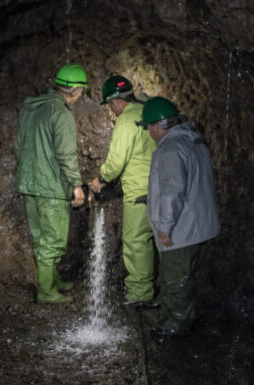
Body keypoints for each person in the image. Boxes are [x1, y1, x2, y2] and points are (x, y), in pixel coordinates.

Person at [142, 97, 220, 336]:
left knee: (176, 278)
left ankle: (175, 324)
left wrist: (164, 226)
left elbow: (172, 191)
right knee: (185, 275)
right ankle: (178, 313)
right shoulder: (193, 141)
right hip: (197, 223)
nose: (148, 132)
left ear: (156, 126)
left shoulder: (171, 149)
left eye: (148, 127)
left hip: (182, 228)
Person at [15, 63, 87, 303]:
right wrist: (76, 185)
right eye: (82, 91)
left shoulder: (30, 109)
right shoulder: (61, 114)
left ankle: (52, 281)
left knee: (41, 238)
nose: (81, 95)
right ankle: (46, 291)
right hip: (51, 187)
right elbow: (65, 155)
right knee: (53, 240)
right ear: (75, 90)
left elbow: (19, 147)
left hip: (30, 184)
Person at [89, 76, 158, 308]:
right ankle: (161, 291)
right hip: (162, 188)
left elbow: (117, 161)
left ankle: (140, 293)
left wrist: (101, 179)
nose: (112, 109)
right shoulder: (150, 111)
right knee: (160, 242)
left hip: (139, 191)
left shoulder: (127, 119)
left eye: (110, 104)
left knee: (136, 241)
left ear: (116, 101)